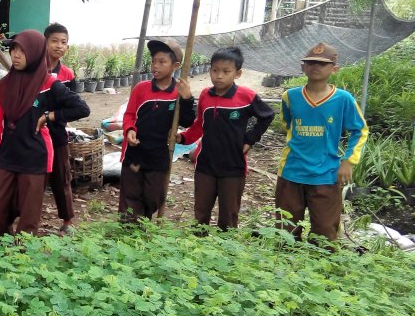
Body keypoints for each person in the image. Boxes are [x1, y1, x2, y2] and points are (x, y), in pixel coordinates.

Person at [0, 30, 90, 236]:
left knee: (29, 215)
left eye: (22, 51)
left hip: (35, 156)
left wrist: (50, 116)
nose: (15, 55)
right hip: (8, 155)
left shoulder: (48, 84)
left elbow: (81, 108)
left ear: (34, 53)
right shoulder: (5, 85)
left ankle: (23, 257)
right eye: (13, 49)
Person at [275, 43, 368, 241]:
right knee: (285, 231)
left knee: (325, 233)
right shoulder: (290, 97)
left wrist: (347, 161)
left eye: (322, 63)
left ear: (334, 69)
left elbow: (359, 130)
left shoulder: (343, 99)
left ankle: (322, 269)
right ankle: (283, 268)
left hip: (326, 174)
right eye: (310, 62)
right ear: (303, 67)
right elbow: (288, 125)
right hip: (292, 171)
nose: (315, 66)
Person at [177, 47, 275, 230]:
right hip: (205, 164)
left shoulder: (246, 96)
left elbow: (267, 115)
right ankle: (198, 247)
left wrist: (250, 139)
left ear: (237, 74)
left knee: (229, 216)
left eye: (226, 71)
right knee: (200, 212)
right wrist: (182, 138)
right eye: (215, 70)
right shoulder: (206, 95)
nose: (219, 76)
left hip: (233, 166)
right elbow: (199, 124)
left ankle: (227, 251)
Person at [119, 39, 194, 221]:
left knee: (153, 195)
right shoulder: (141, 89)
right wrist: (129, 130)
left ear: (175, 65)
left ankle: (143, 222)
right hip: (135, 151)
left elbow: (188, 121)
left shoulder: (178, 92)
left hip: (159, 153)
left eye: (162, 62)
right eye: (153, 61)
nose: (155, 66)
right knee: (130, 193)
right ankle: (128, 230)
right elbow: (129, 114)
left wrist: (187, 99)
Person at [44, 23, 80, 234]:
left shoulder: (67, 74)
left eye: (63, 42)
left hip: (57, 133)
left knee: (61, 177)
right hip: (34, 134)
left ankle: (67, 221)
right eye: (54, 41)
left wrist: (54, 117)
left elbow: (74, 107)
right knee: (31, 180)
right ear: (45, 42)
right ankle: (25, 218)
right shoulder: (33, 68)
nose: (59, 46)